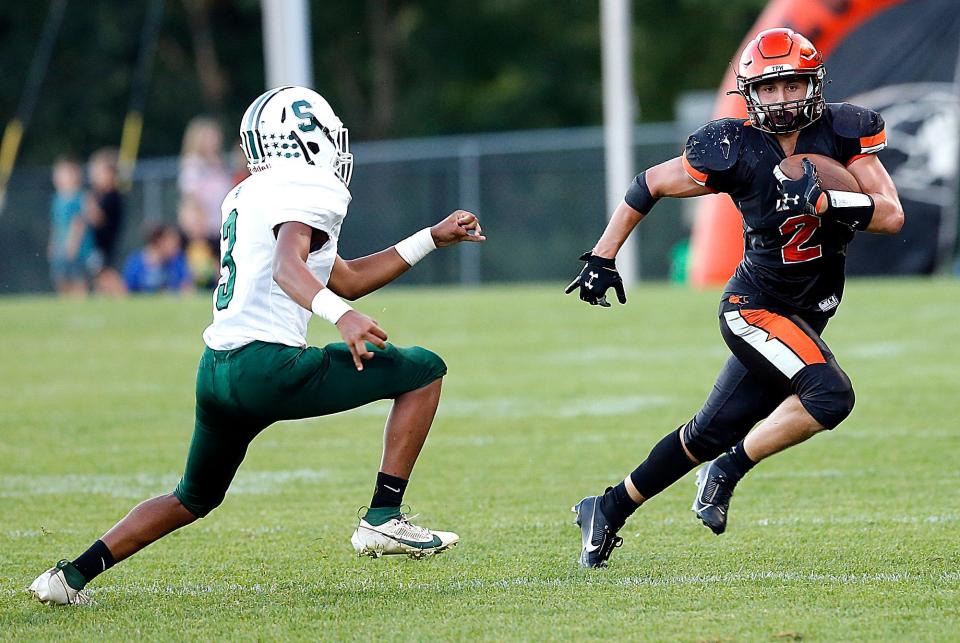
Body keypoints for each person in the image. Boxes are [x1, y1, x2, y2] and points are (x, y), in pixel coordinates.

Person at [29, 86, 485, 605]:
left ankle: (69, 577)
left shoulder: (247, 192)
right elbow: (291, 269)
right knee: (424, 371)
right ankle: (383, 516)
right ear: (307, 139)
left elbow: (348, 276)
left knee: (192, 497)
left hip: (217, 369)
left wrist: (430, 237)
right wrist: (342, 317)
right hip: (267, 368)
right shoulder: (312, 186)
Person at [565, 28, 904, 568]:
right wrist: (603, 257)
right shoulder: (733, 148)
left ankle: (606, 507)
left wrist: (829, 202)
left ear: (812, 84)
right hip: (754, 308)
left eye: (791, 84)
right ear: (749, 94)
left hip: (805, 311)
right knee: (830, 396)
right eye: (768, 89)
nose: (781, 99)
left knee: (709, 430)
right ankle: (728, 469)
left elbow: (891, 214)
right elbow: (647, 184)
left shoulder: (843, 131)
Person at [178, 116, 234, 247]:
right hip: (204, 230)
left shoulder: (218, 164)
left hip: (221, 226)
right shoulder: (193, 164)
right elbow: (191, 196)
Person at [47, 156, 95, 296]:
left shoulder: (79, 197)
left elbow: (79, 222)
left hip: (78, 249)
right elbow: (56, 223)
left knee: (78, 278)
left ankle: (80, 304)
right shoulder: (57, 198)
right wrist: (52, 243)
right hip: (61, 247)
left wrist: (73, 243)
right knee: (61, 279)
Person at [85, 148, 127, 296]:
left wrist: (89, 205)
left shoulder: (112, 196)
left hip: (106, 242)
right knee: (99, 275)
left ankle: (122, 294)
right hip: (99, 243)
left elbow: (98, 219)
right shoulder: (101, 195)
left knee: (105, 272)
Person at [122, 223, 193, 293]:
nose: (177, 248)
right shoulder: (135, 263)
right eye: (172, 243)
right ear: (159, 242)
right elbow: (127, 291)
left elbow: (187, 288)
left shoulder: (178, 262)